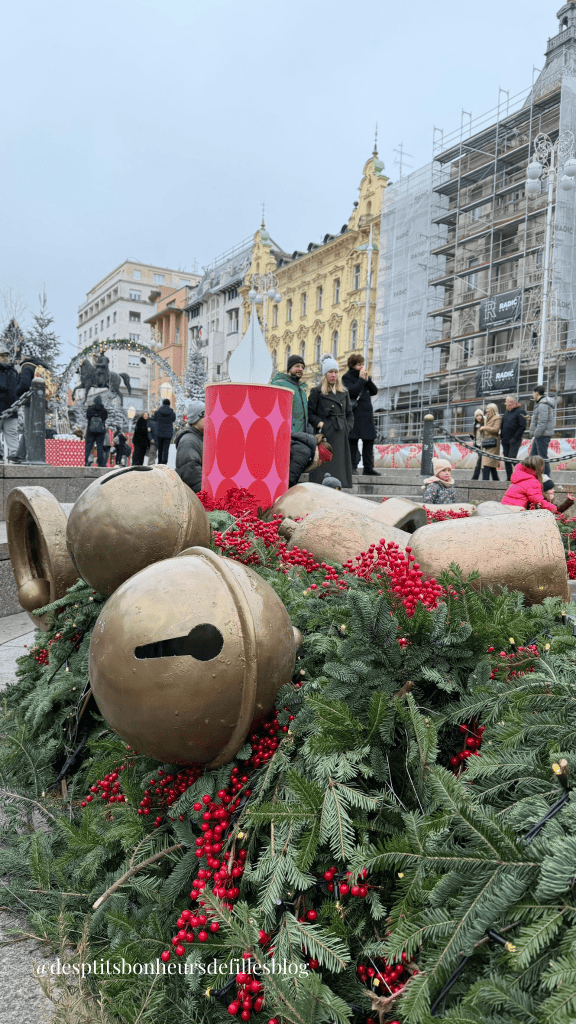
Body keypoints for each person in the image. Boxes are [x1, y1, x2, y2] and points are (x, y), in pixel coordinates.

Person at [308, 356, 354, 488]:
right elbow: (310, 413)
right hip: (325, 435)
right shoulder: (317, 392)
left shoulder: (343, 392)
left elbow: (350, 414)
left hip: (340, 434)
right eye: (330, 372)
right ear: (325, 374)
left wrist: (347, 427)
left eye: (335, 372)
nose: (333, 375)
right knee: (324, 466)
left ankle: (338, 488)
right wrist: (320, 424)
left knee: (339, 465)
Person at [342, 353, 380, 475]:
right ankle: (352, 467)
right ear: (352, 365)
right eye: (359, 364)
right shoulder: (346, 377)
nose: (362, 367)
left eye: (362, 364)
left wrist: (367, 379)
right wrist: (361, 380)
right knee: (353, 442)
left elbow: (374, 391)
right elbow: (352, 391)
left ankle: (368, 468)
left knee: (369, 441)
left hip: (367, 414)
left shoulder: (364, 378)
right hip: (355, 414)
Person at [270, 354, 308, 432]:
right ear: (289, 368)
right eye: (297, 366)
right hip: (287, 435)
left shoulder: (302, 390)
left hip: (302, 435)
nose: (300, 369)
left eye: (302, 367)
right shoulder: (280, 385)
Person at [174, 400, 204, 492]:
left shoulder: (197, 437)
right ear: (196, 418)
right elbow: (192, 475)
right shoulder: (188, 441)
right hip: (196, 500)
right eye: (206, 416)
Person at [529, 384, 556, 475]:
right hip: (541, 435)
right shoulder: (541, 404)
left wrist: (536, 434)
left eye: (533, 393)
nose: (532, 395)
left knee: (542, 457)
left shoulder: (542, 405)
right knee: (532, 457)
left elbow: (542, 422)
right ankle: (532, 477)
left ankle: (547, 478)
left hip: (542, 435)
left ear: (536, 394)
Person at [0, 342, 19, 462]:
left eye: (6, 355)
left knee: (12, 432)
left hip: (11, 408)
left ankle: (14, 455)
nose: (5, 358)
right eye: (2, 355)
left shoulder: (13, 371)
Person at [501, 395, 527, 481]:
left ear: (511, 402)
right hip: (505, 439)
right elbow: (503, 423)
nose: (505, 403)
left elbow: (522, 426)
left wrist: (515, 438)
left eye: (506, 401)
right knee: (506, 460)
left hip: (514, 440)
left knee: (511, 457)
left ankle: (522, 473)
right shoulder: (507, 411)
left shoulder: (520, 411)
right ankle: (509, 477)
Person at [479, 402, 502, 481]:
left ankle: (484, 483)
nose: (486, 410)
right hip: (486, 443)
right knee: (491, 465)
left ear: (492, 409)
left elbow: (496, 429)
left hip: (493, 443)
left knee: (487, 464)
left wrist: (484, 427)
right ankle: (496, 482)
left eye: (488, 408)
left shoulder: (497, 418)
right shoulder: (486, 418)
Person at [85, 394, 108, 467]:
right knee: (99, 446)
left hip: (91, 430)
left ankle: (85, 460)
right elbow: (105, 418)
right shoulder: (104, 410)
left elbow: (88, 417)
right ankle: (100, 463)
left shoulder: (90, 408)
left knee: (89, 445)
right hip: (100, 431)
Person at [152, 398, 176, 465]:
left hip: (159, 432)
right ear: (169, 404)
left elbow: (155, 418)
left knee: (160, 448)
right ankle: (164, 462)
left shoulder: (158, 411)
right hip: (168, 433)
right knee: (166, 449)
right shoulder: (172, 412)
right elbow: (173, 419)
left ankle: (159, 462)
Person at [470, 409, 485, 480]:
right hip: (478, 445)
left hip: (484, 446)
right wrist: (473, 439)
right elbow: (476, 435)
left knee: (480, 462)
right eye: (477, 416)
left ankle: (475, 478)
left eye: (480, 415)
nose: (479, 417)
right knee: (481, 462)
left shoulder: (485, 423)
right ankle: (485, 478)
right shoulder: (475, 425)